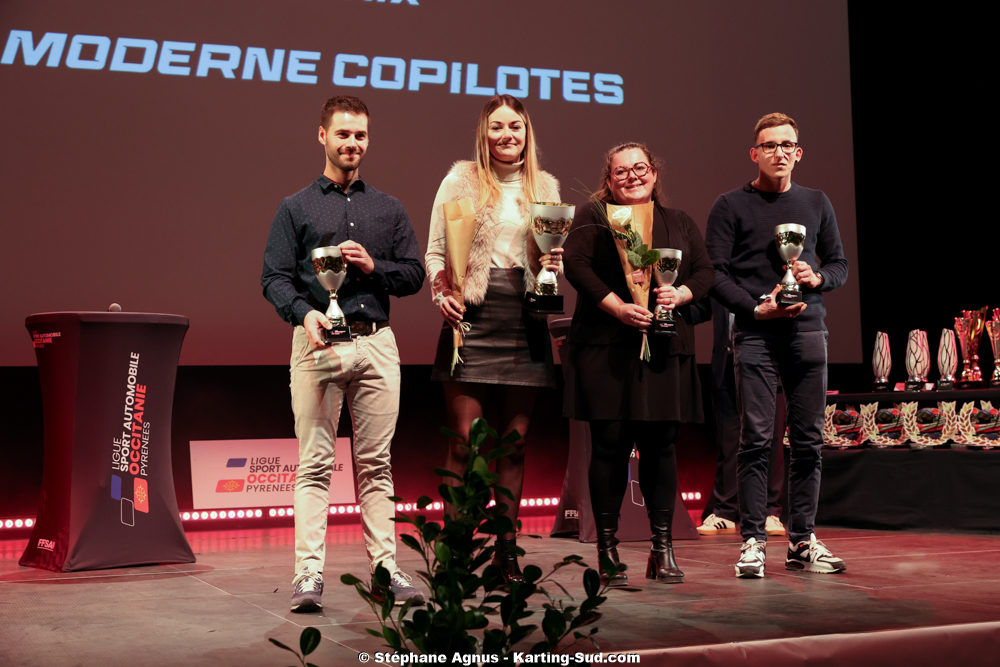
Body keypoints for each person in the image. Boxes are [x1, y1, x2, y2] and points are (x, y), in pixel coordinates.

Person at [261, 95, 426, 612]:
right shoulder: (296, 207)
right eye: (342, 134)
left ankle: (385, 568)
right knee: (314, 464)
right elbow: (273, 277)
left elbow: (414, 275)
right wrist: (303, 313)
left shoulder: (389, 208)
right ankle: (308, 574)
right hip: (317, 342)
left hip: (376, 342)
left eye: (360, 135)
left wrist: (376, 268)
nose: (352, 143)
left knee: (376, 464)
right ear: (322, 136)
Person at [704, 112, 849, 578]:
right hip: (756, 335)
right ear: (755, 153)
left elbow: (839, 264)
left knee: (808, 442)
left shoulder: (817, 201)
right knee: (756, 441)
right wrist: (754, 309)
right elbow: (714, 275)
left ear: (798, 153)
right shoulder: (730, 204)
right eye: (769, 145)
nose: (779, 152)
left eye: (787, 145)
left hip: (808, 333)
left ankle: (802, 540)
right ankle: (753, 541)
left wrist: (816, 277)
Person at [425, 95, 563, 584]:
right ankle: (456, 555)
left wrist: (554, 264)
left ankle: (506, 556)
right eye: (498, 126)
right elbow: (435, 251)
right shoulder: (460, 180)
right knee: (466, 444)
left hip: (526, 317)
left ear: (527, 133)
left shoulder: (546, 186)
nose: (507, 135)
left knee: (514, 445)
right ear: (484, 133)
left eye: (516, 126)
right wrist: (442, 293)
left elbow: (548, 257)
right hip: (473, 313)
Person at [562, 142, 714, 586]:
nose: (632, 176)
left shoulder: (679, 221)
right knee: (609, 445)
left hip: (665, 347)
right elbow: (575, 265)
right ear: (608, 180)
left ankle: (661, 549)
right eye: (621, 171)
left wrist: (680, 293)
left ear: (655, 173)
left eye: (640, 168)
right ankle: (607, 551)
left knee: (661, 447)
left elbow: (706, 273)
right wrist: (618, 308)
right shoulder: (593, 217)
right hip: (606, 346)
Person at [693, 296, 788, 538]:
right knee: (728, 442)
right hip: (726, 363)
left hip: (766, 361)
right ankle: (725, 511)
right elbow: (699, 309)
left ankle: (771, 512)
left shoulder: (763, 275)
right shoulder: (721, 279)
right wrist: (663, 306)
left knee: (771, 439)